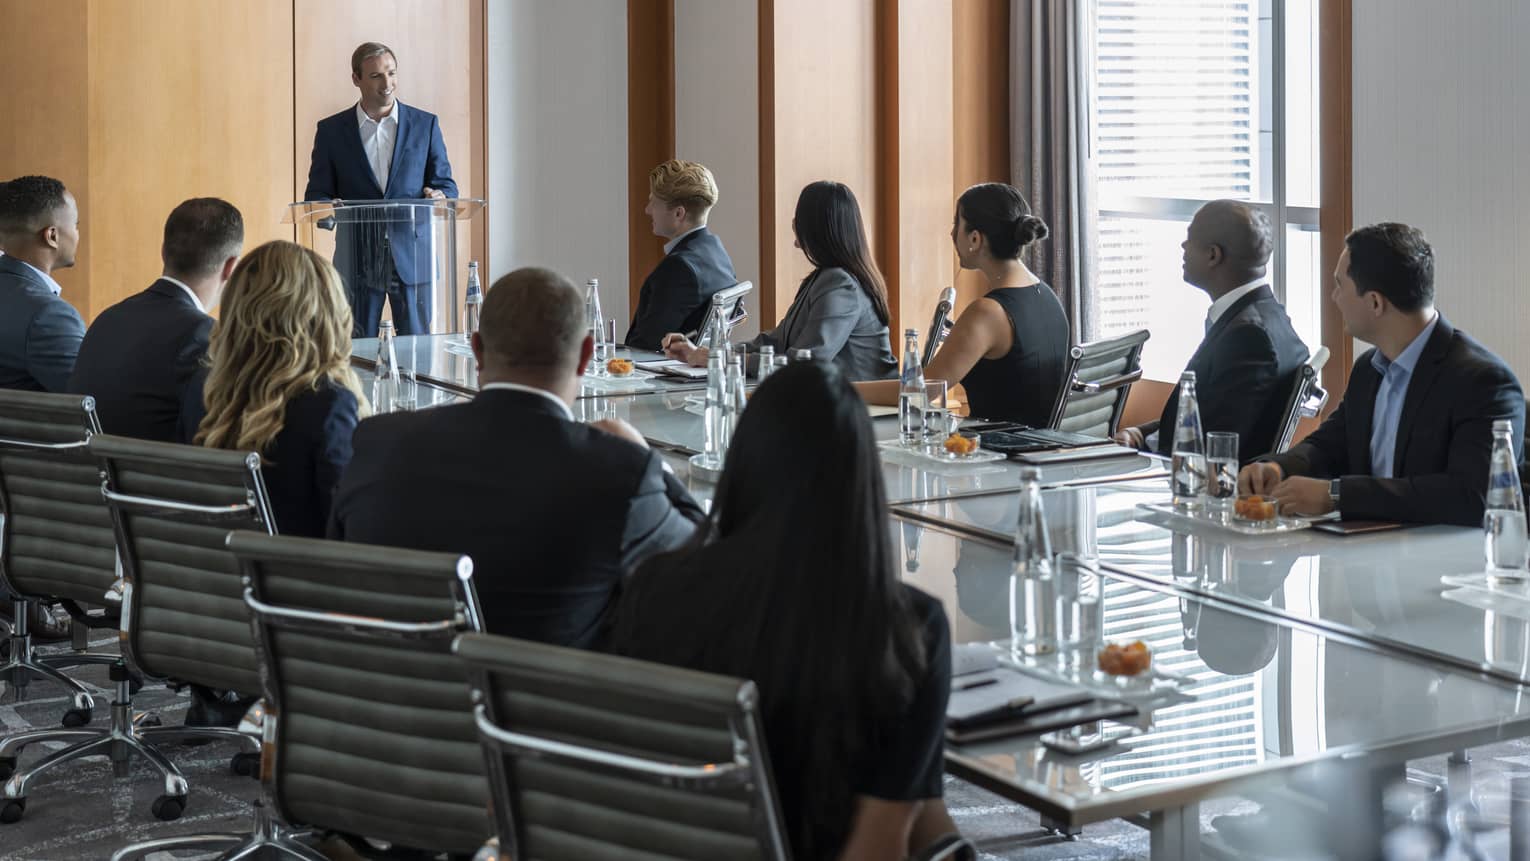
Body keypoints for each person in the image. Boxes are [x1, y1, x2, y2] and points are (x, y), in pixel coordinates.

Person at [607, 361, 958, 860]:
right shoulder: (910, 627)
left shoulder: (656, 589)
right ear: (863, 479)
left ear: (743, 463)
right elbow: (877, 848)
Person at [330, 267, 705, 647]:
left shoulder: (378, 443)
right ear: (586, 356)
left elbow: (336, 575)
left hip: (391, 681)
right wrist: (648, 460)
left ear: (477, 350)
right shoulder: (619, 473)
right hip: (549, 685)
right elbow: (705, 570)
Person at [1239, 223, 1525, 526]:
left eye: (1340, 285)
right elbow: (1330, 444)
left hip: (1441, 554)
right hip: (1367, 546)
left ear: (1375, 302)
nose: (1334, 297)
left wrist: (1337, 495)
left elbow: (1474, 496)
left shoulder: (1483, 381)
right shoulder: (1369, 368)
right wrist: (1278, 468)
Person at [183, 241, 367, 538]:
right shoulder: (328, 406)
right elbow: (350, 530)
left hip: (221, 564)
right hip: (304, 566)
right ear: (324, 315)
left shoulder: (201, 394)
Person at [855, 183, 1069, 425]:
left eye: (956, 224)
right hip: (1045, 443)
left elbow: (923, 389)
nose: (951, 233)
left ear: (975, 239)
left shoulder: (987, 313)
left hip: (1000, 446)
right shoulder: (1047, 295)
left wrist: (841, 387)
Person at [1114, 200, 1309, 462]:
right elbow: (1208, 418)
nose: (1183, 246)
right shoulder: (1271, 315)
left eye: (1190, 239)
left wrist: (1142, 448)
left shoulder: (1248, 338)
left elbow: (1210, 445)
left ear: (1213, 255)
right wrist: (1140, 433)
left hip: (1189, 480)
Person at [662, 180, 897, 381]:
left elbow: (804, 364)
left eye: (798, 224)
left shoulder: (840, 284)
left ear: (814, 230)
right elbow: (776, 341)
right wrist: (705, 351)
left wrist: (718, 358)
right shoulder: (824, 278)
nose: (795, 238)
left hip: (863, 408)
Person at [304, 41, 458, 337]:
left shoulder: (425, 124)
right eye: (376, 76)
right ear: (356, 79)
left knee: (418, 349)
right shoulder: (332, 131)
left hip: (413, 258)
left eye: (391, 73)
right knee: (354, 348)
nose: (387, 83)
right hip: (357, 260)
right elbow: (317, 195)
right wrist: (329, 209)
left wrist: (440, 195)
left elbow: (446, 185)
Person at [68, 198, 243, 440]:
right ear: (231, 268)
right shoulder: (201, 333)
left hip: (91, 464)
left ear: (163, 252)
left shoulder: (107, 319)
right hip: (160, 464)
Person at [624, 159, 737, 351]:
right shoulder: (716, 252)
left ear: (678, 214)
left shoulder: (679, 268)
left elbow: (644, 346)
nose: (647, 210)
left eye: (654, 203)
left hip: (659, 367)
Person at [0, 175, 84, 392]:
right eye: (76, 225)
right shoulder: (48, 315)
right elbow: (91, 396)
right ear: (52, 236)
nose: (77, 235)